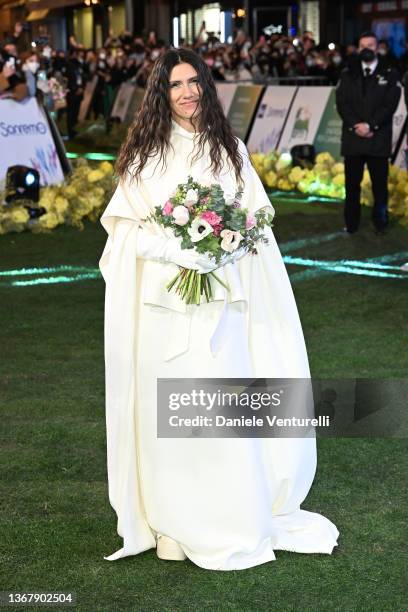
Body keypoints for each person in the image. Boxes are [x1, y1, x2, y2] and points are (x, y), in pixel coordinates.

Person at [98, 47, 339, 570]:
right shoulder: (144, 157)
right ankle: (173, 524)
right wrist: (177, 250)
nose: (187, 93)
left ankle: (226, 516)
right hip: (165, 308)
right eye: (174, 85)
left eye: (194, 83)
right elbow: (123, 232)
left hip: (224, 302)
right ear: (159, 95)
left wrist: (223, 247)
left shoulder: (228, 148)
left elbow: (257, 218)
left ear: (207, 86)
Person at [336, 31, 401, 234]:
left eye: (370, 45)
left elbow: (390, 104)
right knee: (351, 186)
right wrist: (357, 125)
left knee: (379, 186)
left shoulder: (390, 72)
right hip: (353, 139)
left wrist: (371, 126)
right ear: (358, 48)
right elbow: (342, 103)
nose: (366, 49)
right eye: (362, 45)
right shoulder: (347, 72)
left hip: (378, 139)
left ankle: (380, 222)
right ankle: (351, 223)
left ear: (377, 47)